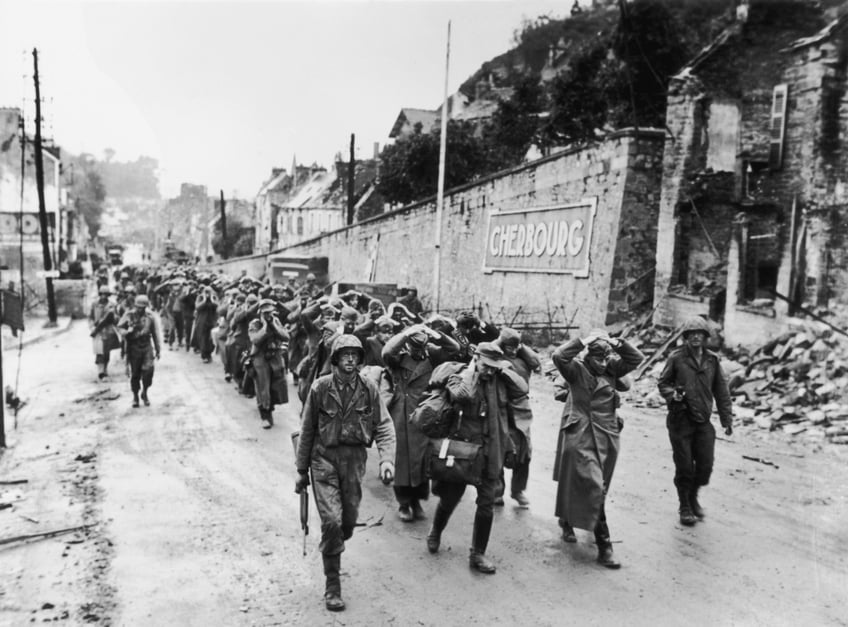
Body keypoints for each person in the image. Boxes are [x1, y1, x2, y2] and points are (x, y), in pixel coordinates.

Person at [294, 335, 396, 612]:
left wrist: (387, 460)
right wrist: (302, 470)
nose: (350, 359)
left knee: (347, 522)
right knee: (332, 522)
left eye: (355, 355)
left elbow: (384, 426)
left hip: (354, 461)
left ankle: (336, 539)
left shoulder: (369, 388)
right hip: (323, 459)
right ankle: (333, 587)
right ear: (335, 358)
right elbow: (307, 431)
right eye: (345, 354)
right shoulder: (320, 387)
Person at [425, 342, 528, 574]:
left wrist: (503, 369)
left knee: (486, 504)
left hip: (491, 450)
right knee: (450, 498)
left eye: (493, 367)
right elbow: (464, 395)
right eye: (486, 365)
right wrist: (472, 370)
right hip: (463, 451)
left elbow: (522, 389)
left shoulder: (499, 381)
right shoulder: (459, 376)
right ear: (476, 358)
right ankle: (436, 531)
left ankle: (477, 554)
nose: (489, 371)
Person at [551, 329, 643, 569]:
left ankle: (570, 518)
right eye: (597, 359)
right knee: (593, 486)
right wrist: (583, 340)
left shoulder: (613, 369)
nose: (602, 364)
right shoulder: (575, 371)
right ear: (588, 357)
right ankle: (605, 546)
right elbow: (559, 356)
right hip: (582, 434)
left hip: (608, 435)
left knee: (599, 487)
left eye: (605, 358)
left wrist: (617, 343)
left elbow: (636, 359)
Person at [657, 316, 733, 526]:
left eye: (700, 334)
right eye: (691, 334)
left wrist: (727, 419)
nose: (696, 337)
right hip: (680, 420)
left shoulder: (712, 360)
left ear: (706, 337)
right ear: (686, 337)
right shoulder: (676, 358)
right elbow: (663, 383)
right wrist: (673, 395)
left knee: (705, 466)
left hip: (703, 421)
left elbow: (721, 390)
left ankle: (693, 496)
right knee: (684, 467)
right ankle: (685, 506)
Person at [382, 322, 461, 522]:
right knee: (402, 458)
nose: (419, 353)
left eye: (422, 348)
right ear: (407, 346)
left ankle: (417, 500)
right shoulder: (397, 359)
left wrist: (437, 335)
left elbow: (455, 349)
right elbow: (386, 352)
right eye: (414, 348)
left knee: (422, 459)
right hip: (402, 411)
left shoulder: (432, 356)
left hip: (426, 412)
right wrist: (405, 333)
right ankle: (404, 503)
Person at [493, 327, 540, 507]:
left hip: (521, 408)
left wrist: (521, 346)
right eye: (509, 346)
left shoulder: (524, 359)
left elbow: (536, 362)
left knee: (524, 451)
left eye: (515, 346)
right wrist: (499, 341)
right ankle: (497, 491)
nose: (512, 350)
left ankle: (518, 490)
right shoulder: (496, 358)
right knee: (499, 449)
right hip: (500, 407)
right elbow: (483, 354)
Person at [247, 298, 289, 428]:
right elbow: (255, 340)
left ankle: (269, 408)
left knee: (276, 385)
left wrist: (275, 326)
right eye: (265, 313)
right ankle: (265, 415)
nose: (268, 315)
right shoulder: (255, 324)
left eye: (270, 312)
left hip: (275, 356)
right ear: (260, 312)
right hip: (260, 357)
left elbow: (286, 336)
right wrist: (265, 326)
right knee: (262, 387)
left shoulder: (276, 321)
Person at [117, 294, 161, 408]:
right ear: (135, 305)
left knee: (148, 371)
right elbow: (120, 327)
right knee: (135, 373)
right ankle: (135, 396)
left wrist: (158, 349)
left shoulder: (150, 317)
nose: (140, 309)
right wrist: (127, 332)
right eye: (138, 307)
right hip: (134, 346)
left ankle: (145, 392)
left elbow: (155, 333)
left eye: (143, 307)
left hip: (146, 345)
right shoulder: (129, 315)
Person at [89, 286, 120, 379]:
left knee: (106, 352)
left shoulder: (112, 305)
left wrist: (113, 317)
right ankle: (100, 370)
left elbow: (117, 319)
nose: (103, 296)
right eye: (102, 294)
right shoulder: (94, 304)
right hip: (97, 330)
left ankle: (105, 368)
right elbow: (90, 317)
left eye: (105, 294)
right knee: (99, 351)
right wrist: (92, 327)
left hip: (108, 330)